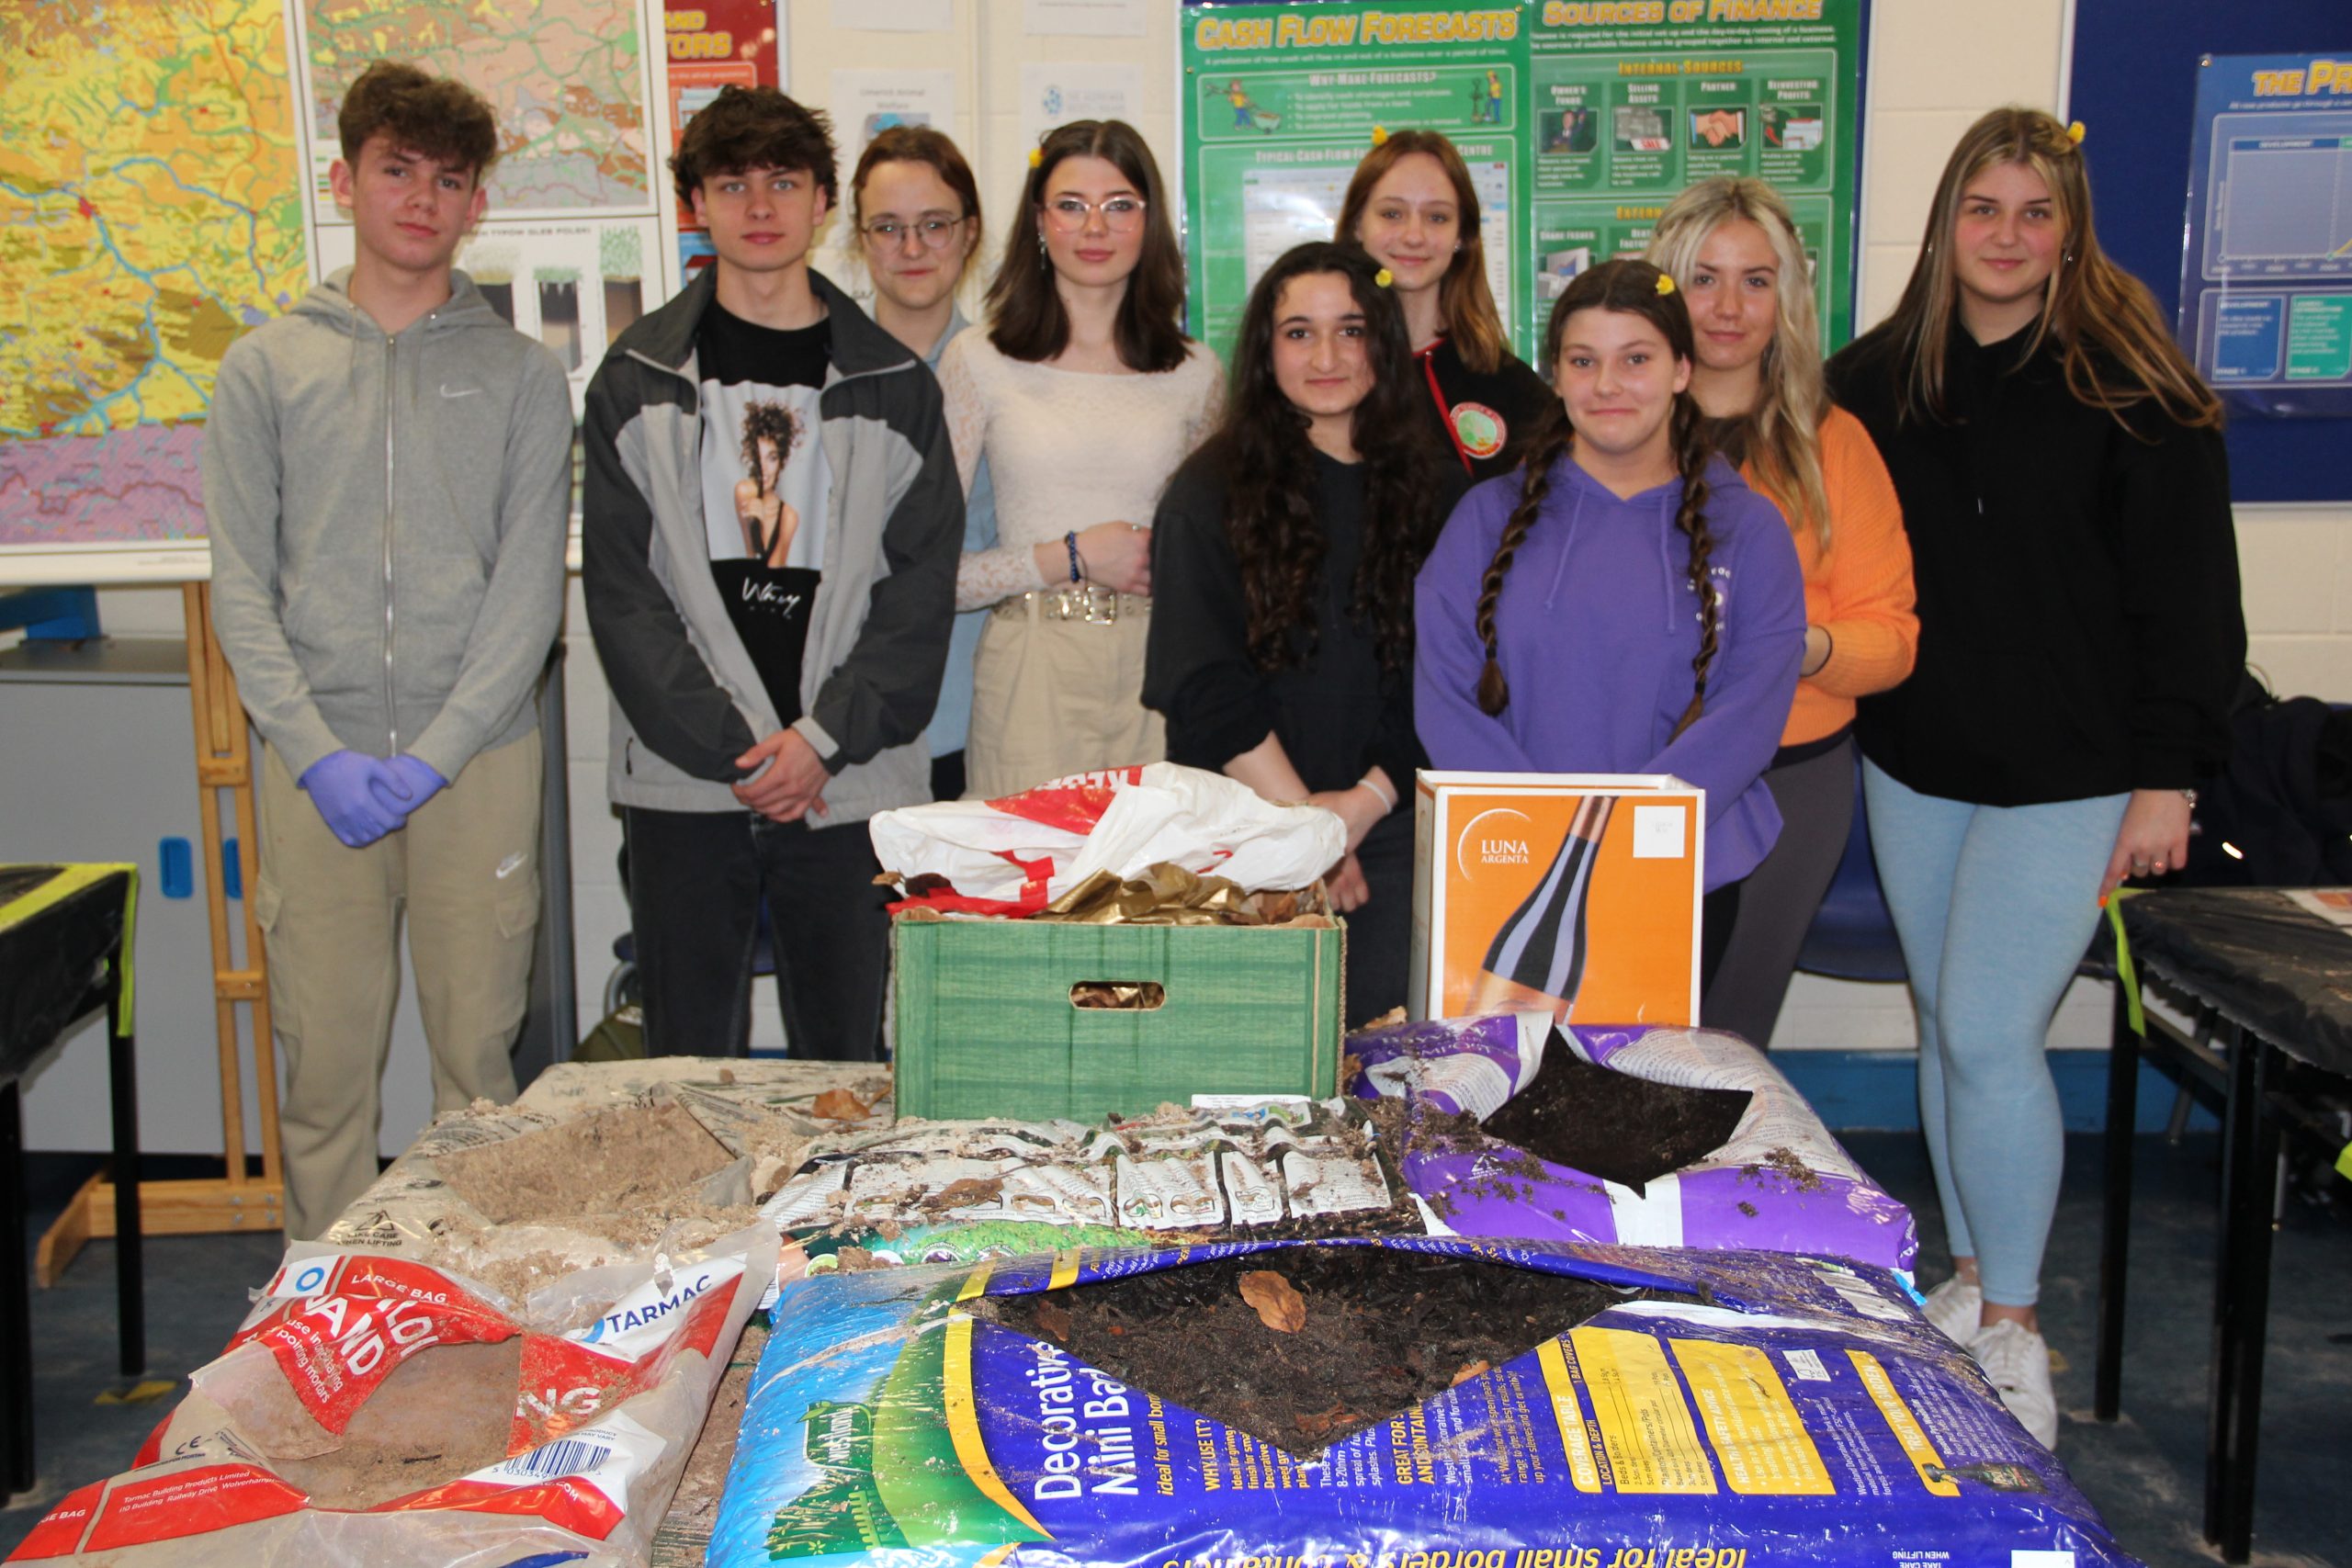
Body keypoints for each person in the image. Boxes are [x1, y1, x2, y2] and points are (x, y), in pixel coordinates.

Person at [1827, 107, 2244, 1446]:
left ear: (2070, 232)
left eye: (2034, 212)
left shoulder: (2138, 390)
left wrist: (2168, 778)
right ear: (1945, 223)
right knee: (1945, 1024)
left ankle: (2014, 1325)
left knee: (1992, 1031)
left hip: (2077, 772)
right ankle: (1965, 1280)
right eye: (1983, 208)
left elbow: (2194, 606)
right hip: (1920, 761)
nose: (2005, 236)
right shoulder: (1873, 380)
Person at [205, 62, 571, 1240]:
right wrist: (314, 752)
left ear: (477, 205)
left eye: (448, 180)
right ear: (344, 182)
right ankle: (319, 1296)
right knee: (322, 1073)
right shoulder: (265, 369)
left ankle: (469, 1296)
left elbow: (527, 597)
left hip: (477, 765)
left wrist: (439, 752)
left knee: (476, 1073)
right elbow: (241, 589)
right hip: (318, 768)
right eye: (396, 170)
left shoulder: (523, 378)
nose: (422, 199)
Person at [582, 86, 962, 1060]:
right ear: (695, 205)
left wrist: (821, 741)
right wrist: (740, 751)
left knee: (844, 1068)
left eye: (784, 182)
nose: (759, 206)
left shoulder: (895, 388)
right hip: (687, 784)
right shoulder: (634, 378)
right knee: (685, 1068)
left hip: (847, 781)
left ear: (823, 202)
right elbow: (624, 599)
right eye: (732, 184)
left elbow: (918, 598)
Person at [1415, 258, 1806, 1009]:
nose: (1607, 385)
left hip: (1683, 870)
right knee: (1516, 1073)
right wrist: (1538, 833)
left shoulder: (1749, 529)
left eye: (1636, 360)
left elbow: (1751, 710)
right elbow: (1445, 693)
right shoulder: (1485, 520)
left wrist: (1632, 835)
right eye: (1583, 361)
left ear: (1682, 370)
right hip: (1513, 866)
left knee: (1643, 1075)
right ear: (1556, 375)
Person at [1144, 243, 1461, 1023]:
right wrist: (1306, 830)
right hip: (1243, 831)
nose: (1327, 356)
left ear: (1383, 341)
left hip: (1390, 833)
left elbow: (1447, 678)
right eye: (1298, 333)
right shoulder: (1206, 491)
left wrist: (1360, 807)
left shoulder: (1439, 489)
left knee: (1381, 1063)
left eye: (1351, 330)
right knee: (1249, 1066)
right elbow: (1203, 684)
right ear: (1265, 348)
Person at [1645, 177, 1918, 1050]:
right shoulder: (1615, 433)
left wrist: (1797, 647)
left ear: (1787, 298)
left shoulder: (1834, 443)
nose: (1729, 307)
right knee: (1628, 1029)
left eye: (1755, 280)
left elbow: (1893, 637)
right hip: (1643, 774)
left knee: (1729, 1041)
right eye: (1704, 278)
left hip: (1790, 775)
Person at [938, 119, 1221, 799]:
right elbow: (934, 575)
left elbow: (1214, 562)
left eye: (1120, 205)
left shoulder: (1197, 371)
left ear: (1150, 221)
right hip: (1029, 671)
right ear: (1039, 220)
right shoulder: (978, 359)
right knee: (1031, 867)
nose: (1095, 227)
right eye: (1071, 205)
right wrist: (1071, 556)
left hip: (1158, 671)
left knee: (1157, 868)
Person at [850, 124, 999, 802]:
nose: (911, 249)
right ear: (860, 238)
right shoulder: (816, 375)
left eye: (934, 225)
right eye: (888, 227)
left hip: (970, 728)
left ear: (970, 233)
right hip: (842, 730)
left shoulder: (1010, 379)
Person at [1335, 129, 1550, 482]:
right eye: (1392, 213)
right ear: (1358, 225)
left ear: (1462, 235)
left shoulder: (1511, 386)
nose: (1414, 236)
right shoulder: (1322, 373)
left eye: (1437, 217)